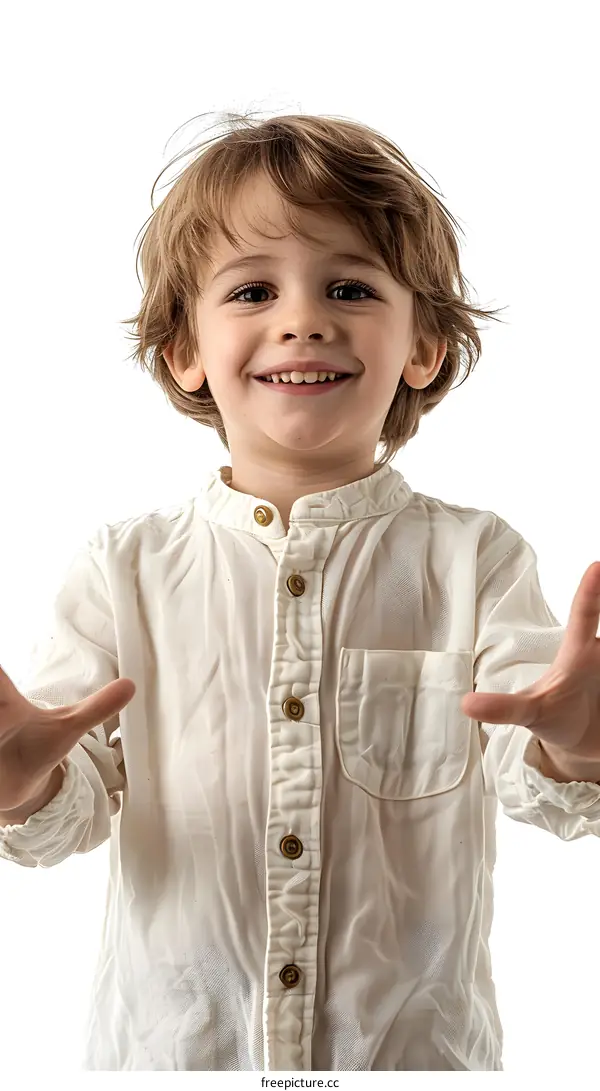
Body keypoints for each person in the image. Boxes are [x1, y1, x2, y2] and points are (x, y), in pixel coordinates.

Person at [1, 111, 599, 1073]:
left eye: (350, 287)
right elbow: (64, 809)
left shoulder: (477, 558)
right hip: (173, 1061)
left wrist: (576, 744)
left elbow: (536, 772)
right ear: (184, 351)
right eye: (252, 289)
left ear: (423, 345)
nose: (303, 318)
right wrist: (21, 781)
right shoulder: (121, 568)